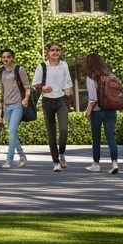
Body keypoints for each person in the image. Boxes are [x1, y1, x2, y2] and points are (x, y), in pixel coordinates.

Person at [33, 42, 74, 172]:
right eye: (52, 50)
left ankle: (61, 153)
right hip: (47, 101)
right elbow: (36, 84)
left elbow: (68, 83)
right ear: (48, 52)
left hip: (61, 100)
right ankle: (56, 162)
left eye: (58, 50)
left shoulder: (64, 65)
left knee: (63, 130)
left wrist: (69, 91)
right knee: (51, 133)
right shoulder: (42, 67)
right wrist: (42, 87)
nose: (55, 52)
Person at [83, 53, 120, 174]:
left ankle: (96, 163)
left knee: (96, 138)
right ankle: (114, 162)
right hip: (111, 109)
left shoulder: (91, 77)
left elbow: (93, 98)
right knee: (111, 138)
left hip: (98, 111)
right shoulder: (110, 75)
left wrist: (88, 111)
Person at [0, 48, 30, 169]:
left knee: (11, 131)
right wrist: (0, 111)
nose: (6, 59)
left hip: (17, 104)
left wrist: (26, 99)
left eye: (8, 57)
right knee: (12, 133)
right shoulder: (1, 71)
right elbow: (1, 90)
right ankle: (22, 155)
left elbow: (27, 87)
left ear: (12, 58)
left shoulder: (19, 69)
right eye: (4, 57)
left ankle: (9, 160)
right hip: (6, 106)